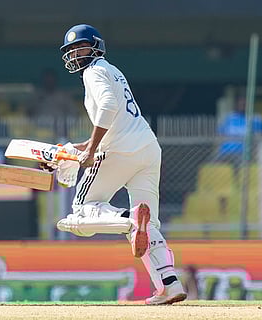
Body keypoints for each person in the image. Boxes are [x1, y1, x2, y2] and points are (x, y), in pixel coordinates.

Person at [53, 24, 187, 305]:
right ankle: (170, 285)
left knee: (80, 214)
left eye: (82, 47)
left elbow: (108, 107)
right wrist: (75, 148)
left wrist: (90, 149)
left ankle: (129, 218)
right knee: (151, 226)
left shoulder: (93, 71)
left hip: (120, 151)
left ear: (96, 47)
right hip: (148, 148)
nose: (77, 53)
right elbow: (117, 121)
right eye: (72, 49)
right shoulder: (112, 70)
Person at [216, 95, 262, 166]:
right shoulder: (230, 118)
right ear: (236, 105)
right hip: (225, 152)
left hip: (242, 153)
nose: (242, 106)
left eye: (244, 104)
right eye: (240, 104)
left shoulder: (253, 119)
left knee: (240, 167)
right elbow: (219, 132)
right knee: (213, 165)